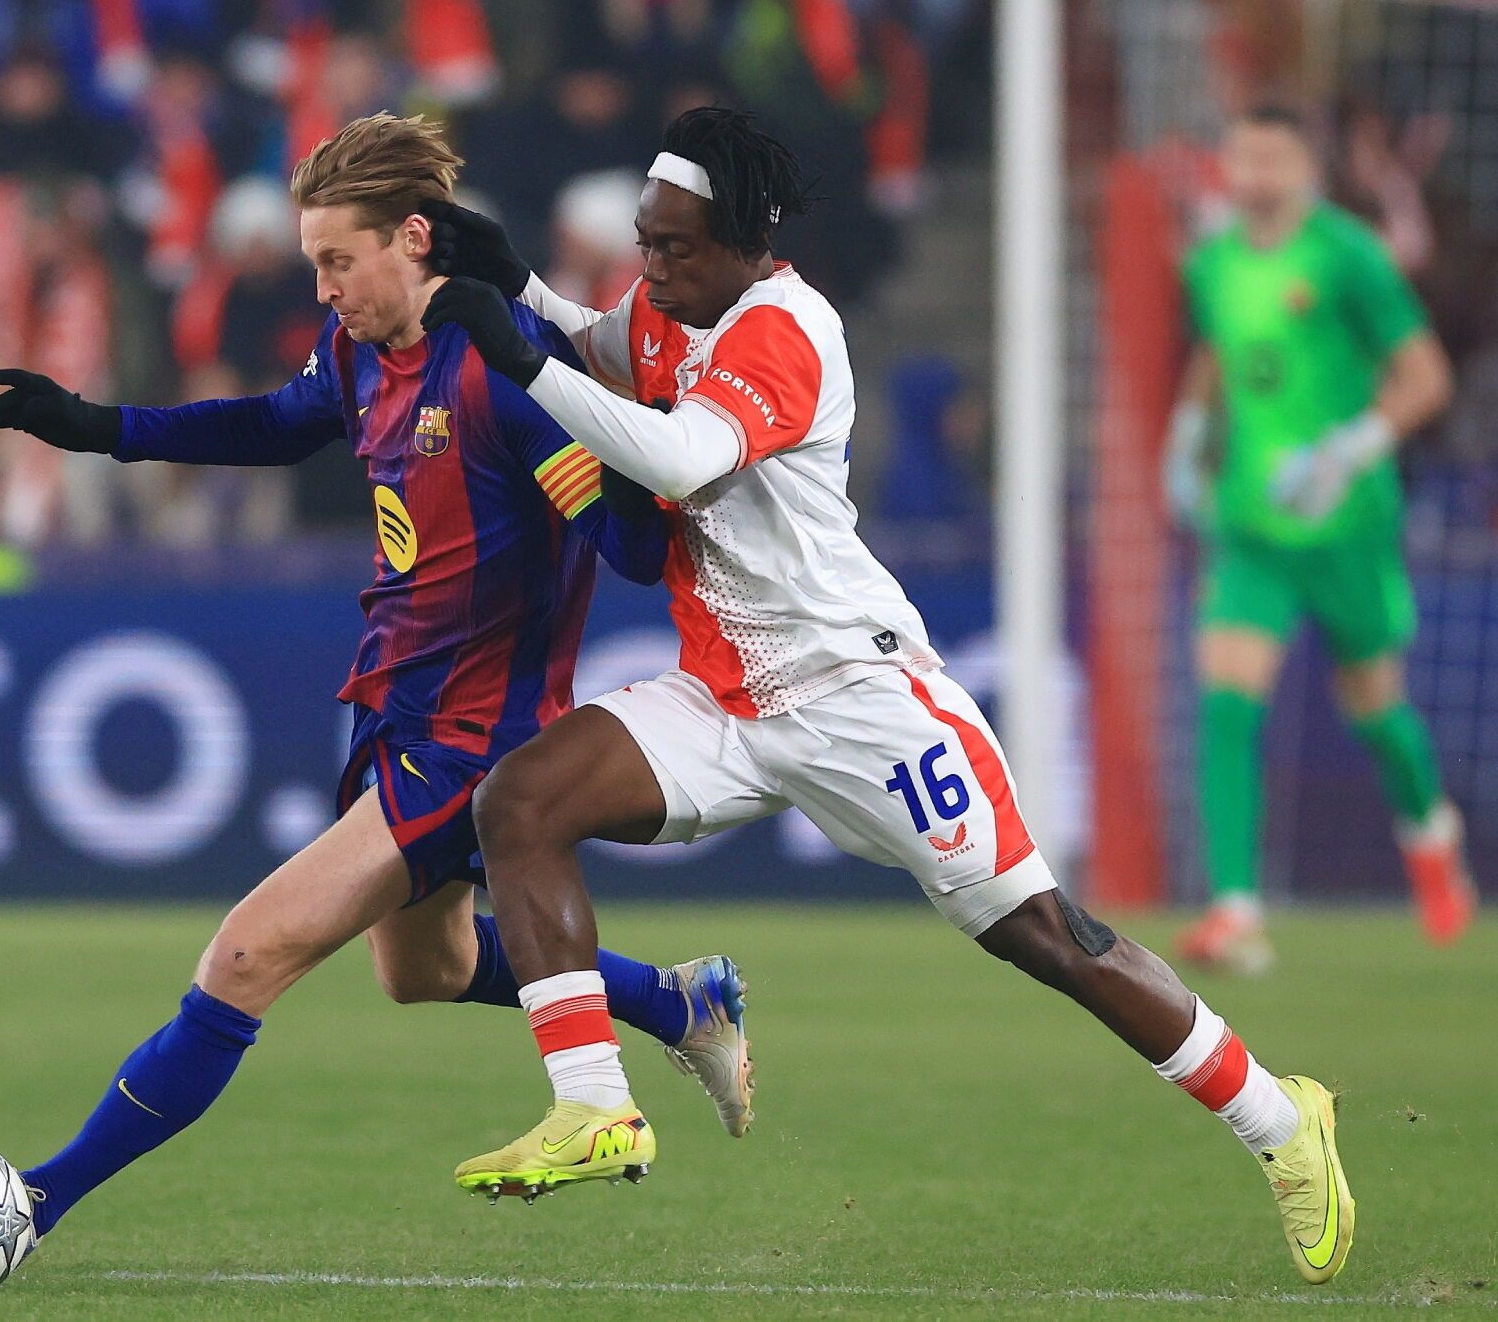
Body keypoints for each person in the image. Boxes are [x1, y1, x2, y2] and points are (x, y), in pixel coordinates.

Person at [420, 106, 1353, 1285]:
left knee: (1045, 937)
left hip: (860, 694)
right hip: (726, 698)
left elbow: (673, 459)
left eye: (674, 247)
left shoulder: (785, 329)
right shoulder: (670, 301)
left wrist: (516, 356)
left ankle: (1280, 1121)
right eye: (645, 242)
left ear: (750, 241)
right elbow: (604, 347)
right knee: (521, 803)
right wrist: (517, 286)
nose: (650, 270)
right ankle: (592, 1104)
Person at [0, 113, 753, 1240]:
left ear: (413, 239)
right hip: (396, 710)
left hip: (480, 734)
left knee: (246, 951)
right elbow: (275, 425)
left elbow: (628, 549)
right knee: (423, 967)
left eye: (337, 260)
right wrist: (97, 427)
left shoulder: (500, 365)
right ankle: (676, 999)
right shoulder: (355, 352)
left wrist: (618, 451)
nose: (323, 286)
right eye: (313, 263)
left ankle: (30, 1202)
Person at [1164, 105, 1473, 973]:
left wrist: (1351, 447)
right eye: (1245, 155)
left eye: (1276, 157)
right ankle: (1234, 908)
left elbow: (1426, 376)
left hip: (1347, 521)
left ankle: (1429, 831)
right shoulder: (1215, 260)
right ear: (1227, 162)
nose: (1257, 173)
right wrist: (1189, 430)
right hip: (1253, 520)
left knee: (1375, 708)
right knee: (1228, 701)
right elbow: (1223, 348)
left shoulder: (1350, 255)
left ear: (1306, 168)